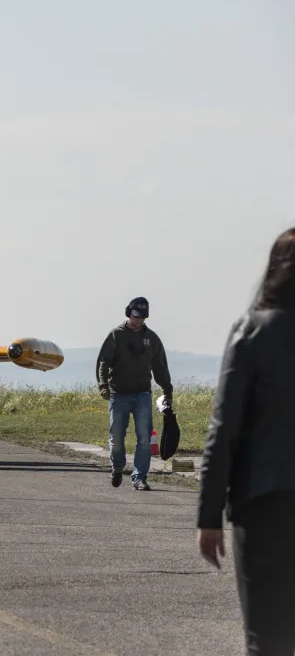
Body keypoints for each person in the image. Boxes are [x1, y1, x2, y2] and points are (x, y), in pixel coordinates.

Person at [197, 227, 295, 656]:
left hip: (264, 506)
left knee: (266, 639)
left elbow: (224, 431)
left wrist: (208, 517)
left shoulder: (253, 330)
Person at [95, 296, 174, 491]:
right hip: (118, 394)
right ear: (129, 314)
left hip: (142, 394)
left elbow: (160, 366)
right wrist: (103, 385)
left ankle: (139, 478)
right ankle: (117, 468)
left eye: (142, 317)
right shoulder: (116, 335)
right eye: (136, 316)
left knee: (145, 438)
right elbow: (104, 362)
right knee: (116, 438)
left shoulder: (152, 339)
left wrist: (167, 390)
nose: (139, 320)